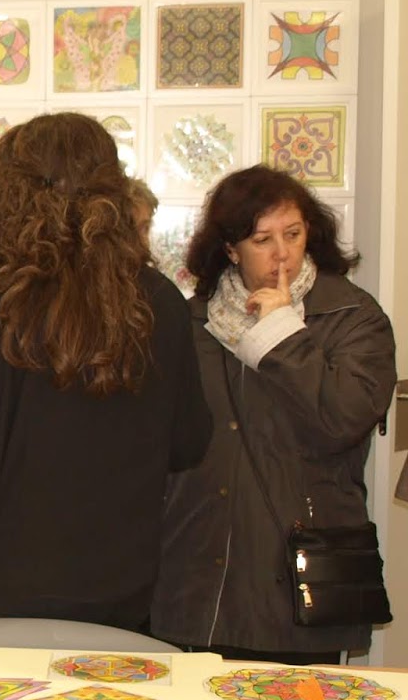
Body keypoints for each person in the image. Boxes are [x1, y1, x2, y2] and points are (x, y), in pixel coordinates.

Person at [0, 113, 213, 628]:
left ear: (8, 195)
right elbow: (188, 442)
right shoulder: (160, 300)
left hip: (5, 590)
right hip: (122, 586)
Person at [153, 166, 395, 661]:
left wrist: (282, 334)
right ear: (231, 249)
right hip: (195, 584)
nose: (281, 253)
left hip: (299, 586)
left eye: (293, 234)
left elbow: (343, 420)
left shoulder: (351, 317)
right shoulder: (190, 320)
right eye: (262, 239)